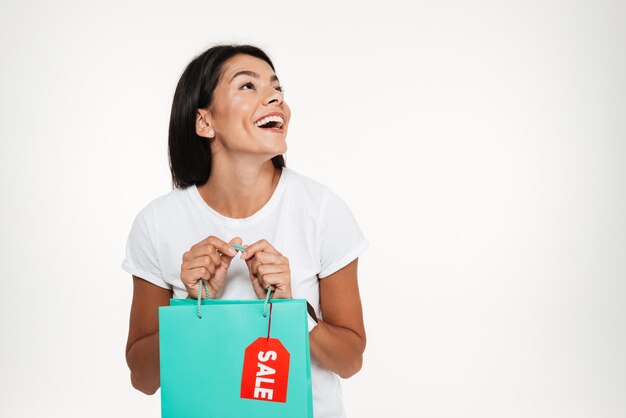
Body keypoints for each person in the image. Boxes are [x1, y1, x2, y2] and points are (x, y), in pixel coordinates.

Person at [121, 44, 369, 418]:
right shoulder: (158, 223)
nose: (275, 98)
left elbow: (350, 361)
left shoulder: (320, 210)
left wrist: (291, 310)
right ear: (205, 122)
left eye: (276, 88)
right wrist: (190, 308)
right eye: (248, 86)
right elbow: (143, 377)